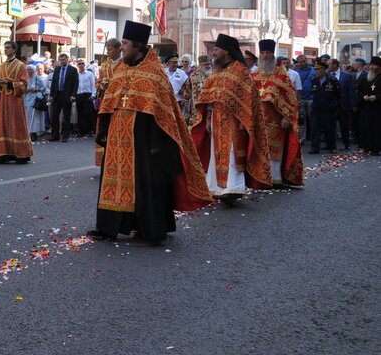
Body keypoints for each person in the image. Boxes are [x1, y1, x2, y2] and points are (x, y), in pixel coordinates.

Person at [91, 21, 211, 242]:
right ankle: (108, 226)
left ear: (137, 45)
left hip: (145, 139)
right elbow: (110, 101)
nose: (122, 48)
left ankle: (149, 228)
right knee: (113, 180)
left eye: (125, 43)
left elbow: (162, 112)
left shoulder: (155, 72)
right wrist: (105, 129)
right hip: (118, 136)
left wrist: (158, 142)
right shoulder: (121, 69)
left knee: (145, 183)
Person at [191, 34, 272, 205]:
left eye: (216, 50)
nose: (213, 53)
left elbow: (249, 98)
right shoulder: (217, 71)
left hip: (235, 121)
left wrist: (245, 120)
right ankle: (217, 188)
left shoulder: (239, 70)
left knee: (232, 154)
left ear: (226, 51)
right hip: (216, 120)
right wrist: (207, 119)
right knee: (216, 153)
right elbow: (208, 97)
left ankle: (234, 188)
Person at [253, 40, 304, 187]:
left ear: (273, 54)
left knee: (275, 148)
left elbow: (290, 98)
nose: (265, 56)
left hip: (275, 119)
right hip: (258, 118)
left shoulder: (282, 75)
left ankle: (275, 178)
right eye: (262, 53)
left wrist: (286, 117)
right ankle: (260, 177)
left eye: (268, 53)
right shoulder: (255, 74)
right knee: (259, 148)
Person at [0, 41, 33, 164]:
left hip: (14, 99)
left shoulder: (20, 65)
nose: (6, 50)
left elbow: (24, 84)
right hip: (3, 99)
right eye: (5, 48)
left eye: (8, 48)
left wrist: (8, 83)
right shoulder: (2, 66)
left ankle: (21, 155)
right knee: (1, 125)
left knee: (16, 124)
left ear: (14, 50)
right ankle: (2, 154)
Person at [308, 60, 339, 154]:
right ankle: (315, 147)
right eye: (315, 69)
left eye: (318, 69)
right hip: (316, 109)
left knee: (329, 129)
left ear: (324, 70)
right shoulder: (314, 80)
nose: (316, 71)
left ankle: (331, 146)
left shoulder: (332, 80)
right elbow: (313, 93)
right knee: (315, 129)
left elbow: (338, 94)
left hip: (328, 110)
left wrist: (333, 106)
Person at [49, 53, 78, 142]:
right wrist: (51, 95)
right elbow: (54, 83)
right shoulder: (57, 70)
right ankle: (55, 135)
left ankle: (65, 135)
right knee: (54, 116)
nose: (62, 62)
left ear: (67, 60)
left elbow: (75, 83)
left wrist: (73, 95)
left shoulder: (72, 70)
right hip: (57, 95)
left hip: (67, 96)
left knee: (66, 116)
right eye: (60, 60)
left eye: (63, 60)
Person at [356, 56, 381, 155]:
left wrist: (377, 97)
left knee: (376, 128)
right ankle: (366, 146)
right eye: (371, 65)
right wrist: (364, 96)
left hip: (378, 108)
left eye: (374, 65)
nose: (371, 67)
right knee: (366, 127)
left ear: (379, 67)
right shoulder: (365, 77)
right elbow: (359, 91)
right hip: (366, 107)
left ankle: (376, 148)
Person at [327, 58, 354, 149]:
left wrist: (351, 105)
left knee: (344, 125)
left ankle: (346, 143)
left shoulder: (347, 75)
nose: (328, 66)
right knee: (331, 125)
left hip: (343, 104)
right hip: (331, 104)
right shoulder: (327, 75)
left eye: (329, 64)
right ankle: (331, 144)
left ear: (335, 65)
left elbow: (351, 91)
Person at [24, 64, 47, 141]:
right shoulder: (25, 79)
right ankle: (27, 132)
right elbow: (21, 88)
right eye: (27, 69)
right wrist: (29, 89)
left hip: (35, 99)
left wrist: (36, 89)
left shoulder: (37, 78)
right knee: (27, 116)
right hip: (26, 99)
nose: (28, 71)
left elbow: (43, 88)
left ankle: (33, 132)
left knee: (34, 116)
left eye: (30, 69)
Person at [75, 58, 95, 136]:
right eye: (79, 64)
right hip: (79, 95)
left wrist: (93, 94)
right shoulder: (76, 75)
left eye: (82, 63)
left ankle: (88, 130)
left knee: (87, 113)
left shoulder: (89, 74)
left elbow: (93, 85)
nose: (81, 65)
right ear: (77, 65)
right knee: (80, 113)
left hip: (87, 94)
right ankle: (81, 131)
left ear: (85, 64)